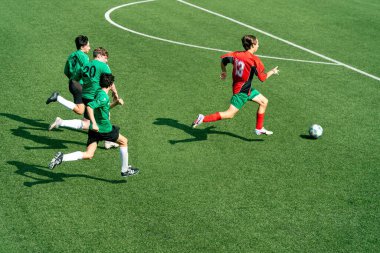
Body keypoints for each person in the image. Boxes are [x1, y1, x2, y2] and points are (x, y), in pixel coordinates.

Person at [48, 73, 139, 177]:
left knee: (89, 155)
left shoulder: (99, 92)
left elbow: (104, 107)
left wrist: (116, 103)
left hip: (94, 131)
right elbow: (90, 107)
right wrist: (94, 123)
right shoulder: (103, 97)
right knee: (124, 142)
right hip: (104, 130)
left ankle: (62, 157)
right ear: (111, 84)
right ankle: (125, 170)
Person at [192, 35, 279, 135]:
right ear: (253, 45)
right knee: (230, 114)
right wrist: (272, 71)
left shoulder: (236, 54)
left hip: (244, 88)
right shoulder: (254, 60)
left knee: (264, 102)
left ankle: (259, 128)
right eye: (258, 43)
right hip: (242, 92)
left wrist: (224, 71)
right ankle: (203, 118)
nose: (259, 45)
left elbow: (223, 61)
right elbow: (262, 78)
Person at [47, 47, 120, 149]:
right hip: (96, 97)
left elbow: (75, 78)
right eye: (106, 57)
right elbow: (109, 81)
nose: (106, 60)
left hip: (85, 96)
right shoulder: (104, 66)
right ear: (99, 55)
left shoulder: (85, 66)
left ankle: (108, 141)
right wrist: (115, 93)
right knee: (92, 122)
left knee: (104, 116)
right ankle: (61, 122)